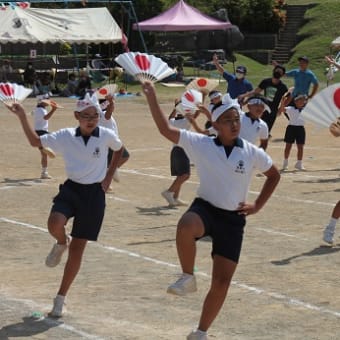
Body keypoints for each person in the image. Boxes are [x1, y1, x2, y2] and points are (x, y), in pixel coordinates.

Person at [142, 81, 280, 340]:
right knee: (185, 225)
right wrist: (152, 97)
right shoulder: (201, 144)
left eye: (236, 118)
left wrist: (258, 205)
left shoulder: (251, 152)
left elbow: (274, 175)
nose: (234, 124)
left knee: (222, 282)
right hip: (206, 208)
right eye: (227, 120)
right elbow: (165, 129)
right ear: (215, 125)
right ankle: (187, 275)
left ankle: (201, 331)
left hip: (233, 219)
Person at [5, 92, 124, 318]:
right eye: (86, 115)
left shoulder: (106, 134)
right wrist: (22, 116)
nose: (91, 119)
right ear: (76, 116)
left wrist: (109, 177)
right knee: (54, 223)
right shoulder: (66, 135)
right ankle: (61, 241)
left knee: (78, 250)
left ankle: (60, 298)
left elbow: (119, 150)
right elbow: (34, 142)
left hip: (94, 195)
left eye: (95, 115)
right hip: (72, 189)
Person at [238, 64, 288, 133]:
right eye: (277, 71)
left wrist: (280, 110)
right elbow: (255, 92)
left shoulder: (283, 87)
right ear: (273, 71)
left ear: (282, 75)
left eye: (280, 72)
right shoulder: (266, 82)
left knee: (266, 131)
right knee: (255, 128)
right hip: (262, 109)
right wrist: (243, 96)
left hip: (273, 112)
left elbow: (285, 100)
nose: (278, 73)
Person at [161, 99, 192, 207]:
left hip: (175, 150)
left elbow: (170, 117)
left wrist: (176, 108)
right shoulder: (185, 121)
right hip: (182, 150)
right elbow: (194, 115)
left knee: (180, 175)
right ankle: (169, 192)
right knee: (185, 175)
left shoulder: (173, 121)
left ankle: (175, 198)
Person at [97, 93, 130, 183]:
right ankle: (106, 177)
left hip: (108, 142)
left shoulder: (99, 113)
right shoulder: (104, 114)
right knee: (125, 156)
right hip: (110, 143)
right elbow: (109, 113)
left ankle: (107, 177)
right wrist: (111, 103)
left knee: (109, 163)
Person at [278, 93, 308, 171]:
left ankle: (299, 163)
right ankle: (285, 162)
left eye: (303, 101)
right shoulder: (291, 109)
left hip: (301, 129)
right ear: (296, 102)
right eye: (300, 101)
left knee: (300, 147)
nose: (302, 102)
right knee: (288, 146)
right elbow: (282, 110)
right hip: (291, 128)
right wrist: (282, 102)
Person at [33, 96, 59, 179]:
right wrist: (53, 109)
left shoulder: (39, 109)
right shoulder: (40, 110)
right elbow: (46, 117)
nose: (48, 101)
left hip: (41, 132)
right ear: (41, 101)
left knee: (44, 154)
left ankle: (44, 172)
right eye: (46, 100)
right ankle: (44, 172)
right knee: (45, 153)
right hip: (41, 132)